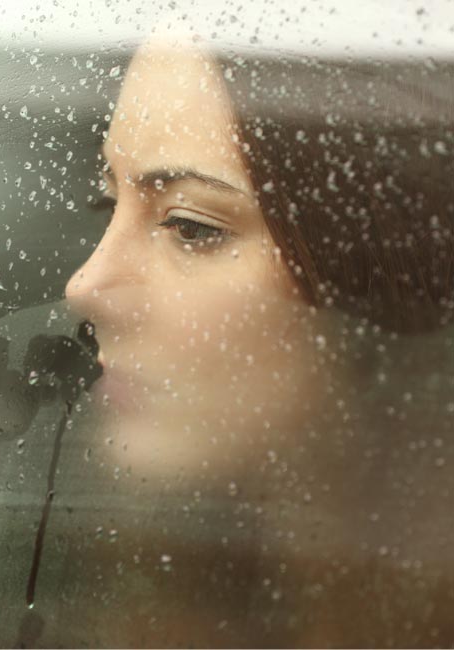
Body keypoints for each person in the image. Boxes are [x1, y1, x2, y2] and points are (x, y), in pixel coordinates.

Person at [62, 36, 454, 646]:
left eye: (190, 225)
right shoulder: (168, 587)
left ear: (376, 274)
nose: (84, 285)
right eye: (106, 202)